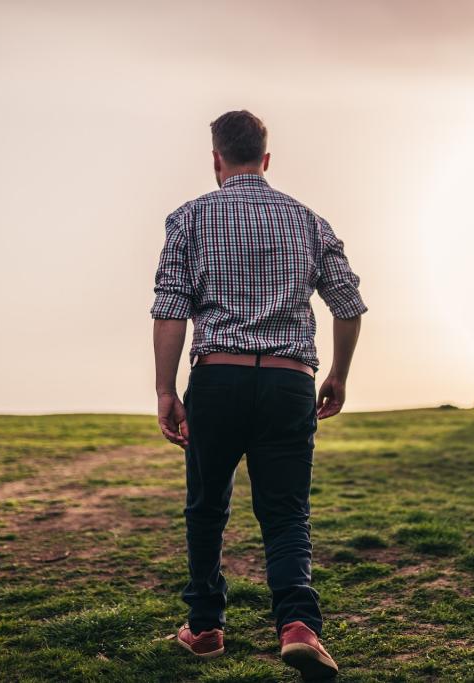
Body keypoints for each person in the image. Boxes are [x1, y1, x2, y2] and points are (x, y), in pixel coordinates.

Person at [150, 110, 366, 680]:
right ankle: (297, 626)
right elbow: (347, 305)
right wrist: (339, 373)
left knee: (206, 507)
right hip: (288, 382)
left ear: (217, 159)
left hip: (217, 380)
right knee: (287, 512)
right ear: (266, 159)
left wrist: (165, 390)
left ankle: (204, 628)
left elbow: (170, 307)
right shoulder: (308, 221)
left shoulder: (190, 218)